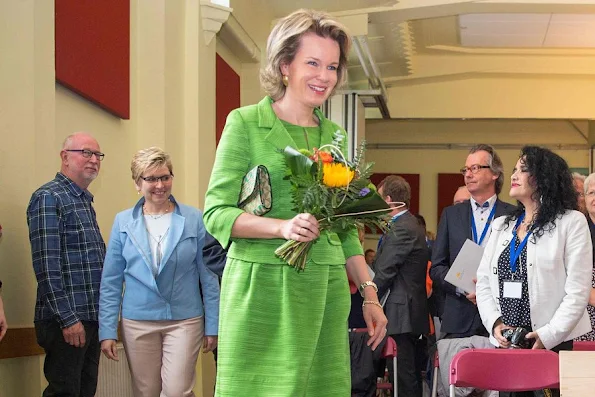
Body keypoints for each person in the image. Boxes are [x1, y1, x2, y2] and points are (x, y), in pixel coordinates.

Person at [203, 9, 387, 396]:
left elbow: (345, 227)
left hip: (323, 288)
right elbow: (216, 213)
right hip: (261, 285)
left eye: (332, 66)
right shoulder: (245, 123)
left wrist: (370, 295)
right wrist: (281, 227)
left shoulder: (334, 135)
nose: (324, 76)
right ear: (285, 65)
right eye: (313, 63)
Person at [98, 147, 219, 397]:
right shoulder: (123, 222)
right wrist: (107, 330)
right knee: (146, 392)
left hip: (185, 319)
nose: (160, 185)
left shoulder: (194, 218)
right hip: (137, 320)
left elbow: (207, 276)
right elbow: (111, 281)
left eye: (165, 176)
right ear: (137, 184)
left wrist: (213, 325)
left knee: (177, 391)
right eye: (151, 178)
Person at [476, 146, 592, 397]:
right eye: (515, 169)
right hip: (508, 342)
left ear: (544, 178)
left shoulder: (571, 222)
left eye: (523, 170)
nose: (514, 175)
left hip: (553, 342)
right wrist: (495, 325)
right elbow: (483, 282)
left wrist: (547, 336)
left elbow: (578, 292)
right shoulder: (501, 226)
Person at [430, 144, 515, 397]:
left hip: (500, 317)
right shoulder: (451, 215)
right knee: (458, 389)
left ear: (495, 173)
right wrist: (462, 287)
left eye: (475, 167)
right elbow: (436, 268)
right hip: (459, 316)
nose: (468, 173)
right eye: (465, 169)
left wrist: (489, 292)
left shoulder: (513, 215)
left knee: (499, 387)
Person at [27, 132, 106, 396]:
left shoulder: (84, 201)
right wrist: (68, 319)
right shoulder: (49, 197)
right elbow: (46, 267)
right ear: (65, 157)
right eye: (86, 153)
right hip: (67, 322)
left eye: (97, 155)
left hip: (90, 318)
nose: (94, 160)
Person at [373, 175, 430, 397]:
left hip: (402, 312)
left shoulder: (402, 227)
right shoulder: (407, 224)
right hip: (405, 311)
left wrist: (368, 295)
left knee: (403, 378)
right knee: (406, 375)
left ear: (388, 200)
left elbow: (385, 270)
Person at [575, 172, 595, 342]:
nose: (594, 198)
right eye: (591, 193)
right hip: (582, 308)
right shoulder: (577, 229)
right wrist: (588, 293)